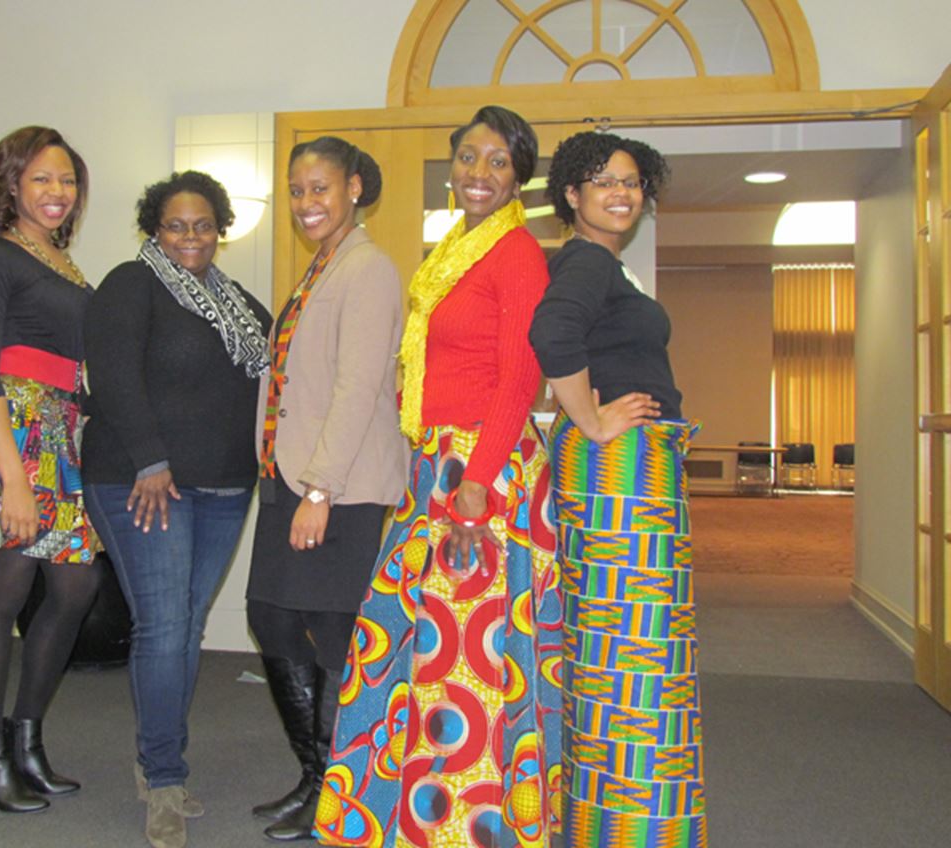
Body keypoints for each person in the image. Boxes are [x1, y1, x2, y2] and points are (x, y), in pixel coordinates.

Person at [316, 106, 563, 847]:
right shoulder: (457, 246)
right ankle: (408, 811)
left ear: (520, 173)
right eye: (467, 158)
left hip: (480, 470)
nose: (477, 173)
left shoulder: (517, 252)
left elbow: (520, 377)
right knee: (409, 643)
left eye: (495, 161)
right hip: (439, 465)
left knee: (470, 653)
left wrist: (476, 484)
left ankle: (468, 823)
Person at [82, 171, 272, 848]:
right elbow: (113, 379)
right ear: (153, 230)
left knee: (185, 626)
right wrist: (151, 461)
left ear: (220, 229)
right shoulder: (130, 287)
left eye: (202, 225)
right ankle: (163, 778)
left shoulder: (242, 303)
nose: (189, 237)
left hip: (225, 488)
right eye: (174, 226)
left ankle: (157, 757)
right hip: (142, 481)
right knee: (163, 626)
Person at [530, 132, 707, 847]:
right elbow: (554, 331)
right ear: (571, 194)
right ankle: (633, 833)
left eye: (632, 182)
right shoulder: (588, 260)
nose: (621, 192)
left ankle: (619, 828)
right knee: (638, 655)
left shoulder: (606, 265)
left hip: (627, 472)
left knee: (625, 657)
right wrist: (591, 419)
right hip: (619, 475)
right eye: (602, 180)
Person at [246, 137, 408, 842]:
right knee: (273, 617)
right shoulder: (321, 267)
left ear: (355, 189)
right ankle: (318, 777)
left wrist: (320, 489)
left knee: (336, 637)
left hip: (338, 485)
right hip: (292, 476)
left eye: (321, 188)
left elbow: (356, 385)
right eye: (298, 190)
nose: (308, 203)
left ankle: (341, 793)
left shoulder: (368, 269)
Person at [0, 126, 100, 814]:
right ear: (10, 186)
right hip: (14, 434)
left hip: (60, 435)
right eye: (41, 179)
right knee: (5, 591)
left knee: (74, 589)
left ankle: (26, 736)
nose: (57, 192)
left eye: (66, 180)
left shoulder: (62, 263)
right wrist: (13, 477)